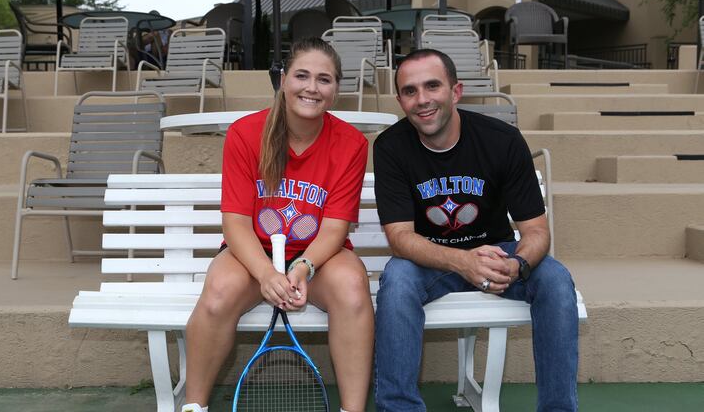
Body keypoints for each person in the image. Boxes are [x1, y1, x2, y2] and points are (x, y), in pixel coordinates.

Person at [372, 49, 579, 412]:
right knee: (397, 279)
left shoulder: (502, 140)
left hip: (498, 254)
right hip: (429, 259)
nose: (422, 100)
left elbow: (535, 232)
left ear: (456, 91)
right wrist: (462, 262)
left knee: (556, 280)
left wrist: (518, 265)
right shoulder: (390, 147)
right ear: (400, 100)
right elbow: (401, 238)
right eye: (410, 90)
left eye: (432, 86)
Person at [181, 37, 374, 412]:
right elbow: (235, 223)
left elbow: (334, 228)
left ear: (336, 90)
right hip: (252, 253)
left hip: (319, 256)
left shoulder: (351, 143)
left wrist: (302, 267)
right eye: (302, 75)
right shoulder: (245, 133)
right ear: (283, 79)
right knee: (219, 292)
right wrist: (267, 274)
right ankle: (194, 407)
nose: (312, 88)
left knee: (353, 288)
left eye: (324, 79)